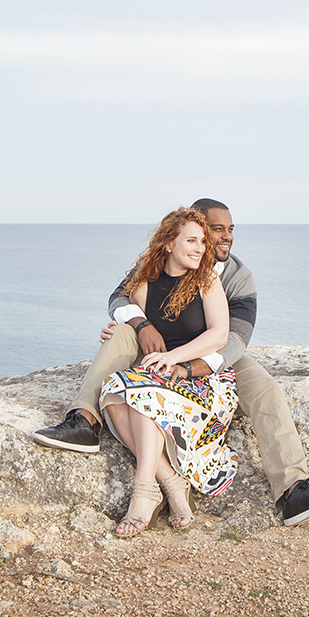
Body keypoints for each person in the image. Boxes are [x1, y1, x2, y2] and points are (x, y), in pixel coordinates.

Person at [33, 198, 309, 527]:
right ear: (184, 232)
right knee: (120, 336)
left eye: (229, 230)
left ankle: (293, 490)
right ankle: (84, 421)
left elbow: (232, 340)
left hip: (212, 358)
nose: (224, 237)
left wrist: (185, 368)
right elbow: (119, 298)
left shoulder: (236, 277)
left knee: (266, 388)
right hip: (158, 346)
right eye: (215, 230)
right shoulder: (154, 265)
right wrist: (140, 326)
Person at [94, 207, 237, 536]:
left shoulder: (208, 280)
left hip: (202, 379)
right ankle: (170, 481)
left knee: (144, 396)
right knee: (113, 393)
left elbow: (219, 335)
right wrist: (114, 331)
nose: (200, 248)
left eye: (202, 241)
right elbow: (134, 325)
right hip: (159, 377)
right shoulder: (145, 281)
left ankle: (143, 493)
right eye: (191, 240)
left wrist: (174, 358)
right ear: (168, 243)